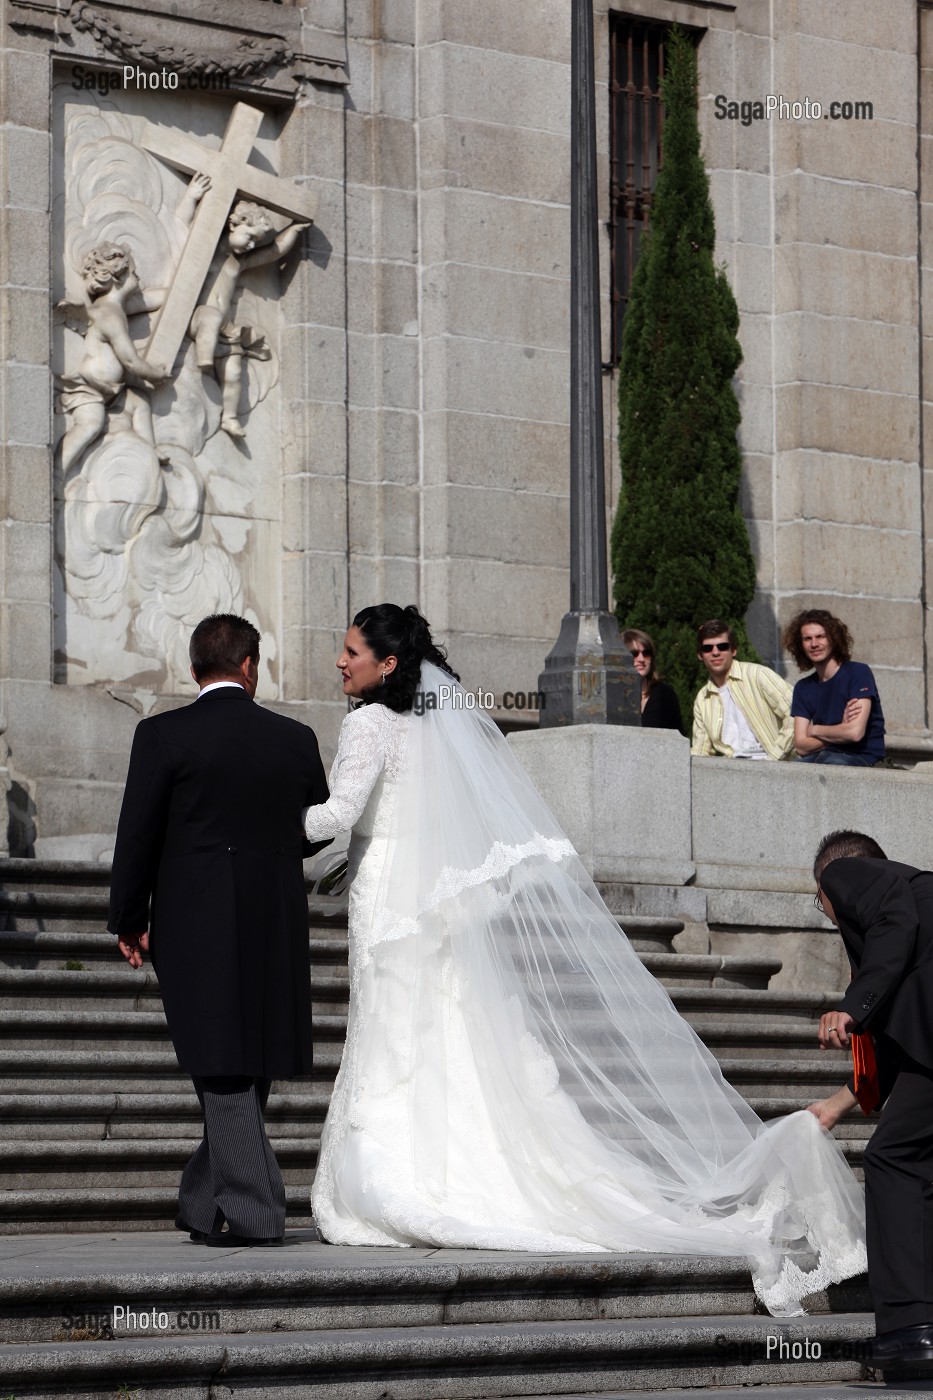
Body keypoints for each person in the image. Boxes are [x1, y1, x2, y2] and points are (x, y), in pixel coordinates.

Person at [301, 602, 866, 1316]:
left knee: (395, 1028)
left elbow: (337, 815)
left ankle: (402, 1170)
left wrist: (277, 811)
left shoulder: (367, 724)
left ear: (386, 664)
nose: (339, 662)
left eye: (350, 651)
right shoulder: (429, 729)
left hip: (390, 899)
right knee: (448, 1024)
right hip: (433, 900)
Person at [108, 614, 330, 1246]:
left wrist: (128, 917)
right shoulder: (296, 738)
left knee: (222, 1061)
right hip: (275, 914)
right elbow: (313, 829)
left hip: (193, 917)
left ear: (193, 666)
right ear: (251, 665)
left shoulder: (161, 735)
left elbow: (138, 835)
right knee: (242, 1059)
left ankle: (258, 1213)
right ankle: (203, 1203)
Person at [809, 830, 933, 1369]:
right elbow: (889, 1047)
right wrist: (838, 1104)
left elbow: (893, 923)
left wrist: (853, 1004)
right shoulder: (912, 928)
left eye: (819, 904)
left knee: (895, 1158)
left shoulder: (846, 872)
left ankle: (911, 1328)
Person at [784, 610, 885, 766]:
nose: (814, 644)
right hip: (824, 756)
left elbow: (854, 733)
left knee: (830, 763)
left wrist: (815, 729)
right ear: (801, 645)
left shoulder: (858, 673)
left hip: (862, 758)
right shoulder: (803, 688)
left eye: (820, 637)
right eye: (807, 639)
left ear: (833, 639)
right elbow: (801, 746)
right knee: (793, 769)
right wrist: (839, 730)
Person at [691, 619, 794, 760]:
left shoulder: (758, 675)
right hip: (733, 771)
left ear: (733, 650)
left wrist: (774, 758)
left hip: (775, 765)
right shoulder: (702, 698)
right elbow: (700, 750)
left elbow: (796, 712)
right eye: (708, 648)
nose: (715, 652)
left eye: (722, 646)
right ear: (700, 655)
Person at [622, 628, 683, 730]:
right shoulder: (613, 698)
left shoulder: (665, 695)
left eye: (646, 653)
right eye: (634, 654)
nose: (641, 659)